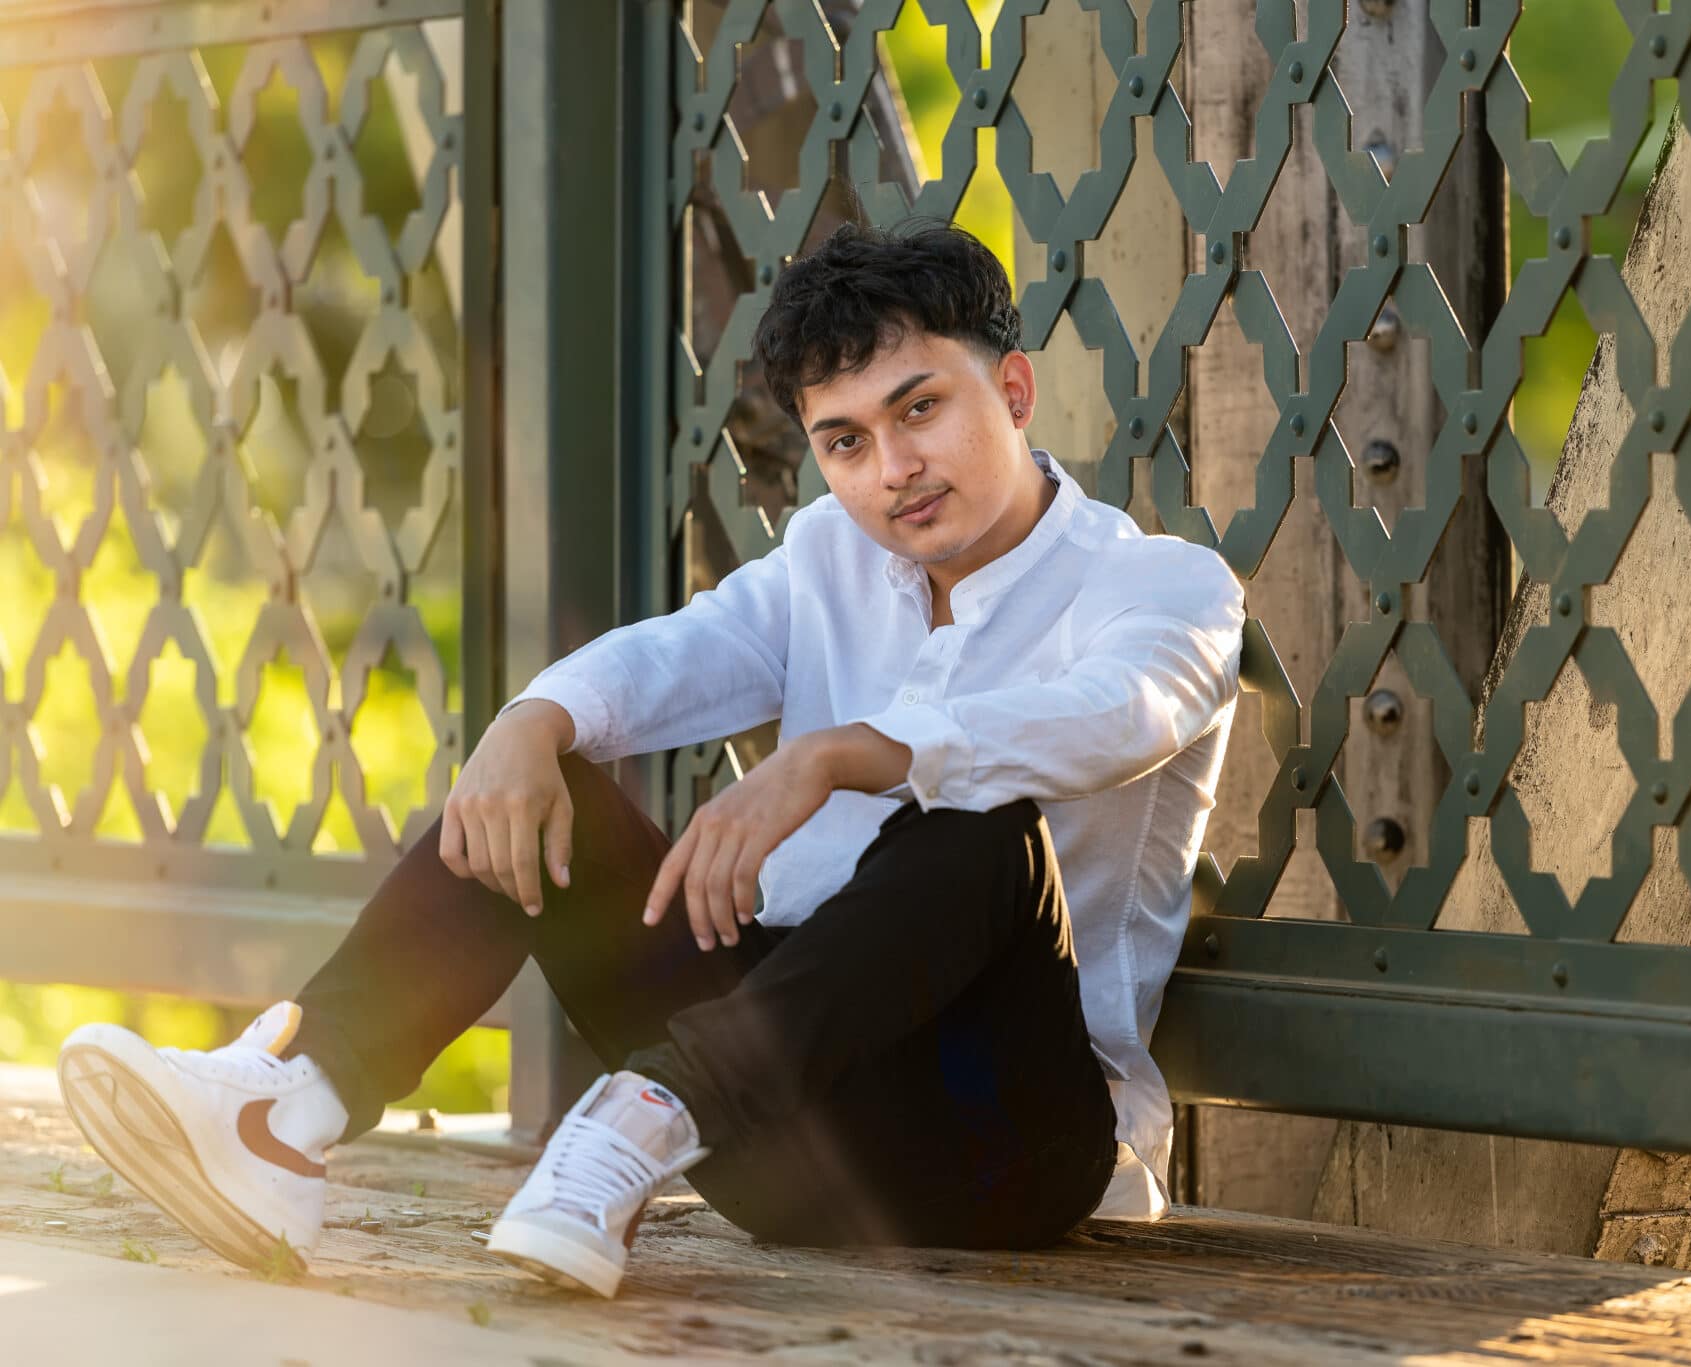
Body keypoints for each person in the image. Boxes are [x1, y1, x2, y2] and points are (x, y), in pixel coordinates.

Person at [55, 221, 1245, 1298]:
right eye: (845, 440)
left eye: (919, 408)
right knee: (538, 786)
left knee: (977, 822)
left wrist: (840, 755)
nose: (892, 470)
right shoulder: (832, 554)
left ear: (1016, 388)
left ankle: (644, 1108)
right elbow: (688, 649)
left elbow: (1114, 712)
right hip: (777, 1139)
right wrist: (535, 719)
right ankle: (284, 1113)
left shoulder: (1161, 586)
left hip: (1001, 1146)